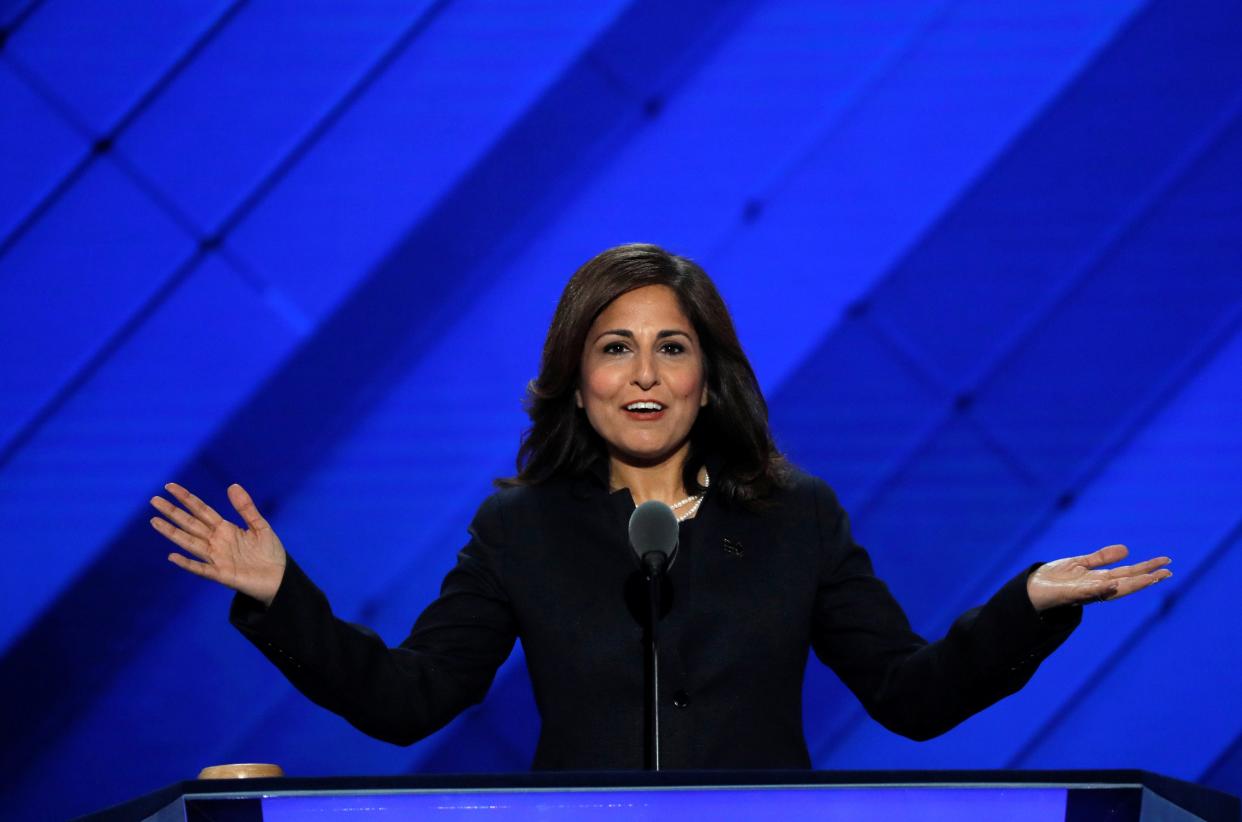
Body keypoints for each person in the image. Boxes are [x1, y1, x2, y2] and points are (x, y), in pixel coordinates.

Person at [149, 243, 1171, 769]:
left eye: (670, 347)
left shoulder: (795, 516)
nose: (644, 374)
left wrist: (1028, 604)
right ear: (578, 374)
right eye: (614, 346)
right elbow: (412, 699)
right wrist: (283, 595)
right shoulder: (523, 529)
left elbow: (911, 697)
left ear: (705, 374)